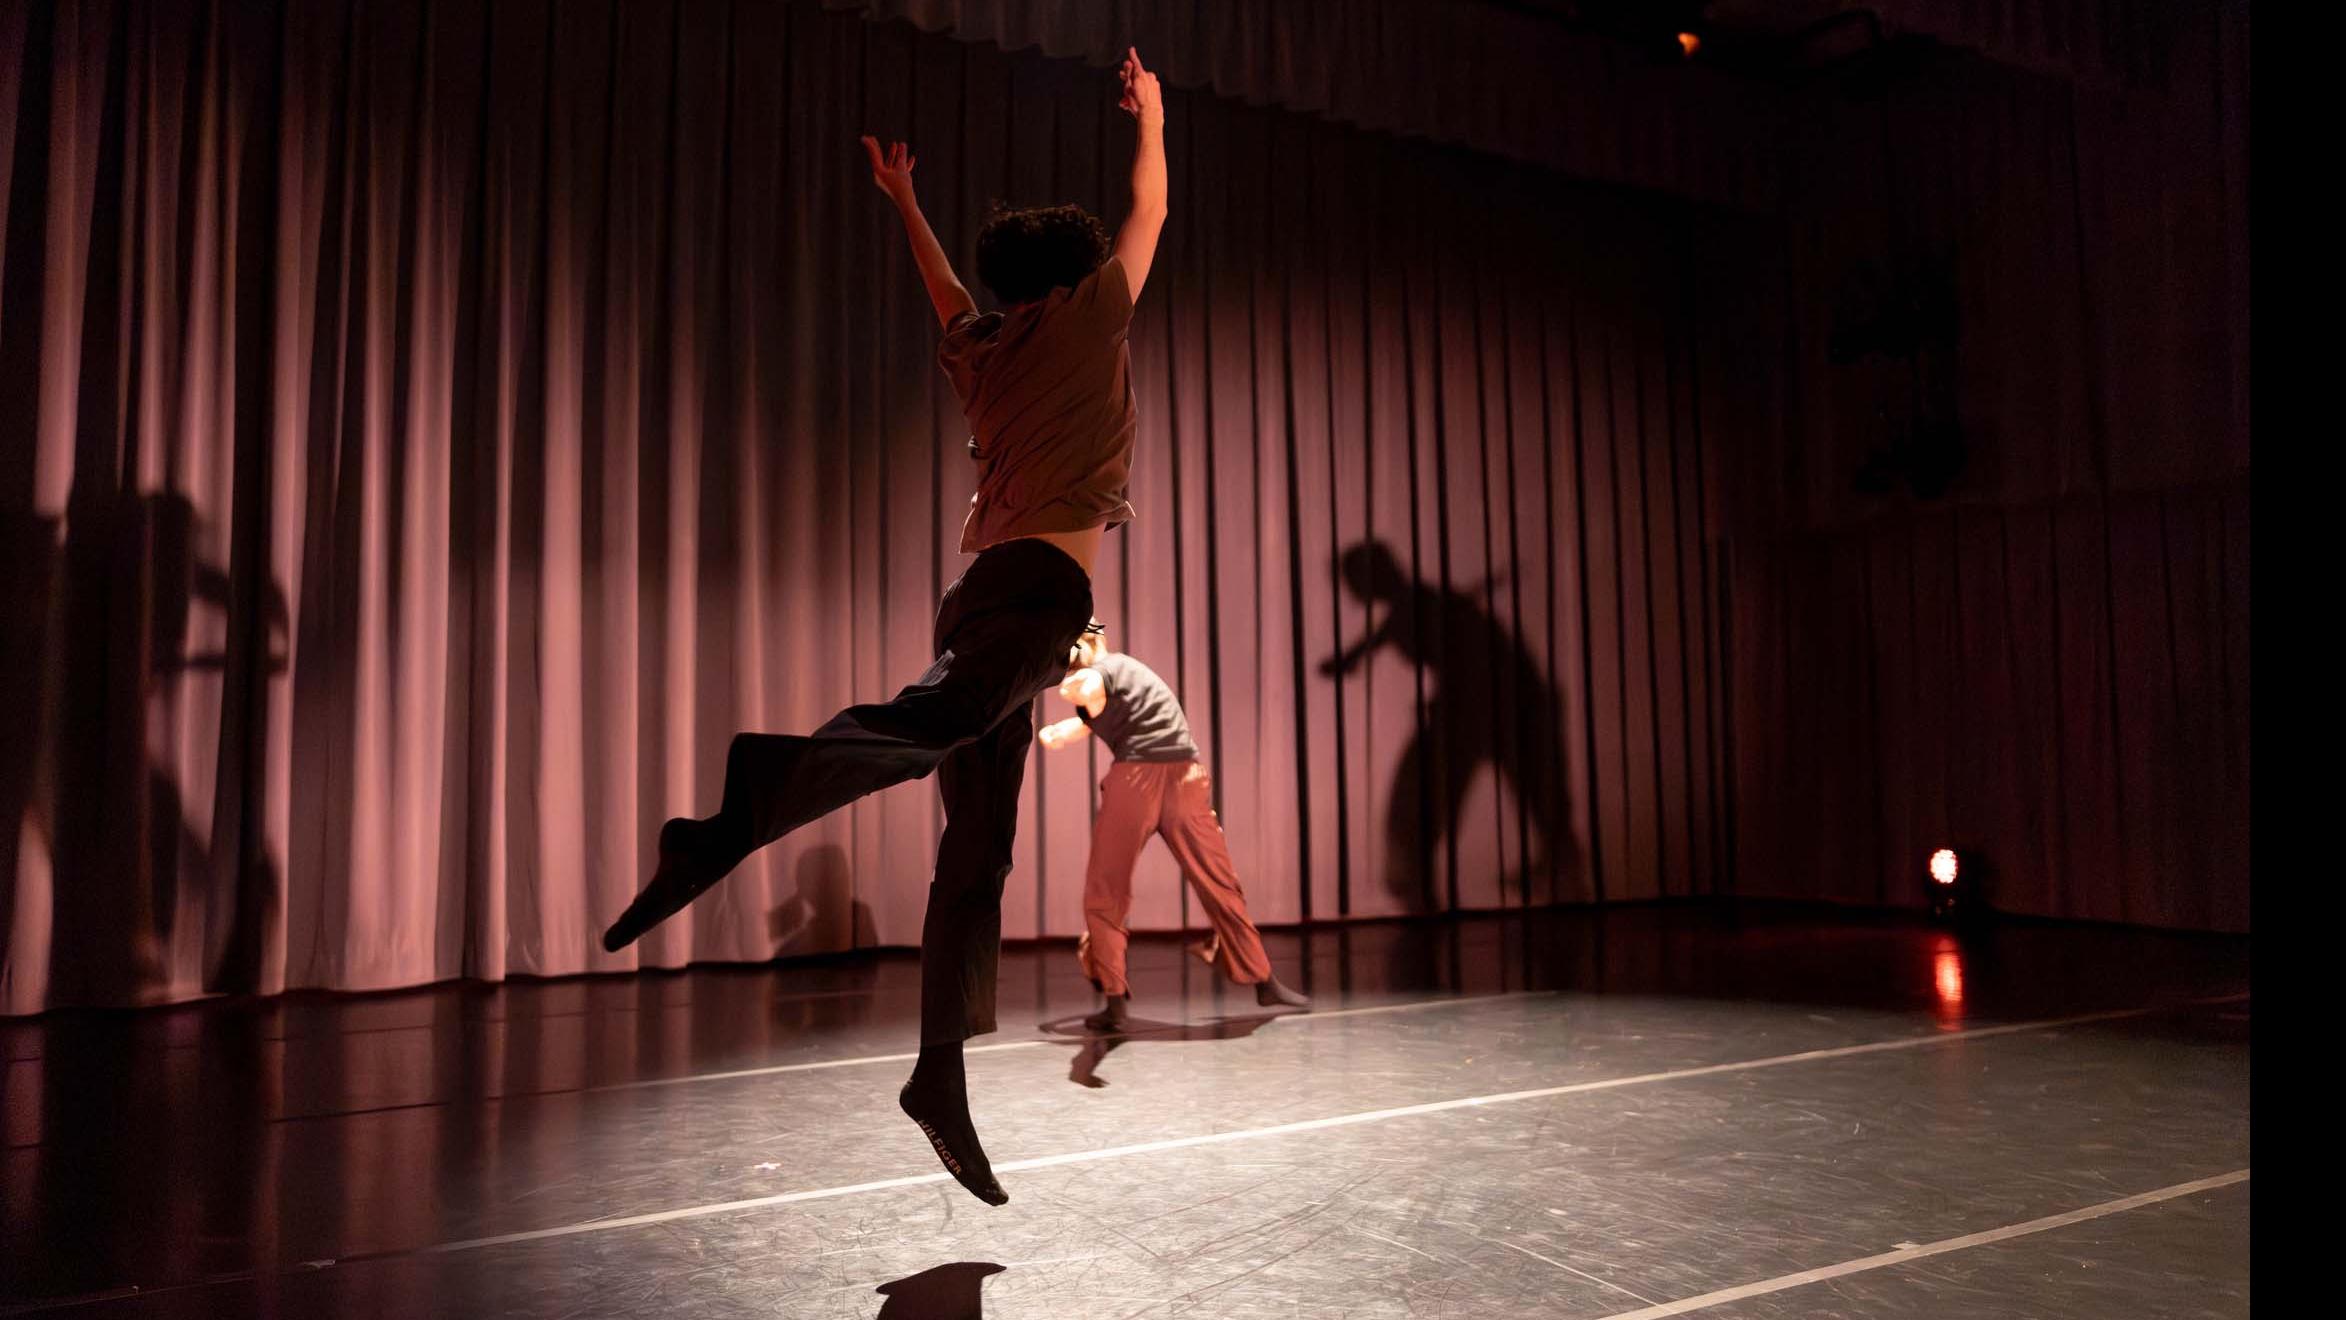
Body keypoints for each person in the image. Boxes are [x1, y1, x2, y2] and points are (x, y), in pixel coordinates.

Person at [600, 47, 1170, 1208]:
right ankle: (737, 810)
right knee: (940, 723)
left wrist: (908, 203)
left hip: (989, 596)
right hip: (1036, 598)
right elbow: (1151, 207)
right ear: (1074, 279)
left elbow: (948, 297)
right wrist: (1152, 115)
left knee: (979, 853)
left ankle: (938, 1077)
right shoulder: (1090, 320)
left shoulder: (987, 350)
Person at [1038, 622, 1311, 1033]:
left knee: (1107, 889)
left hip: (1140, 780)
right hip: (1185, 775)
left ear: (1077, 646)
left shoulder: (1105, 670)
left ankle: (1115, 1003)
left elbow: (1082, 689)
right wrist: (1061, 731)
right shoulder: (1128, 676)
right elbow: (1089, 717)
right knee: (1219, 882)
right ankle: (1263, 981)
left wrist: (1064, 677)